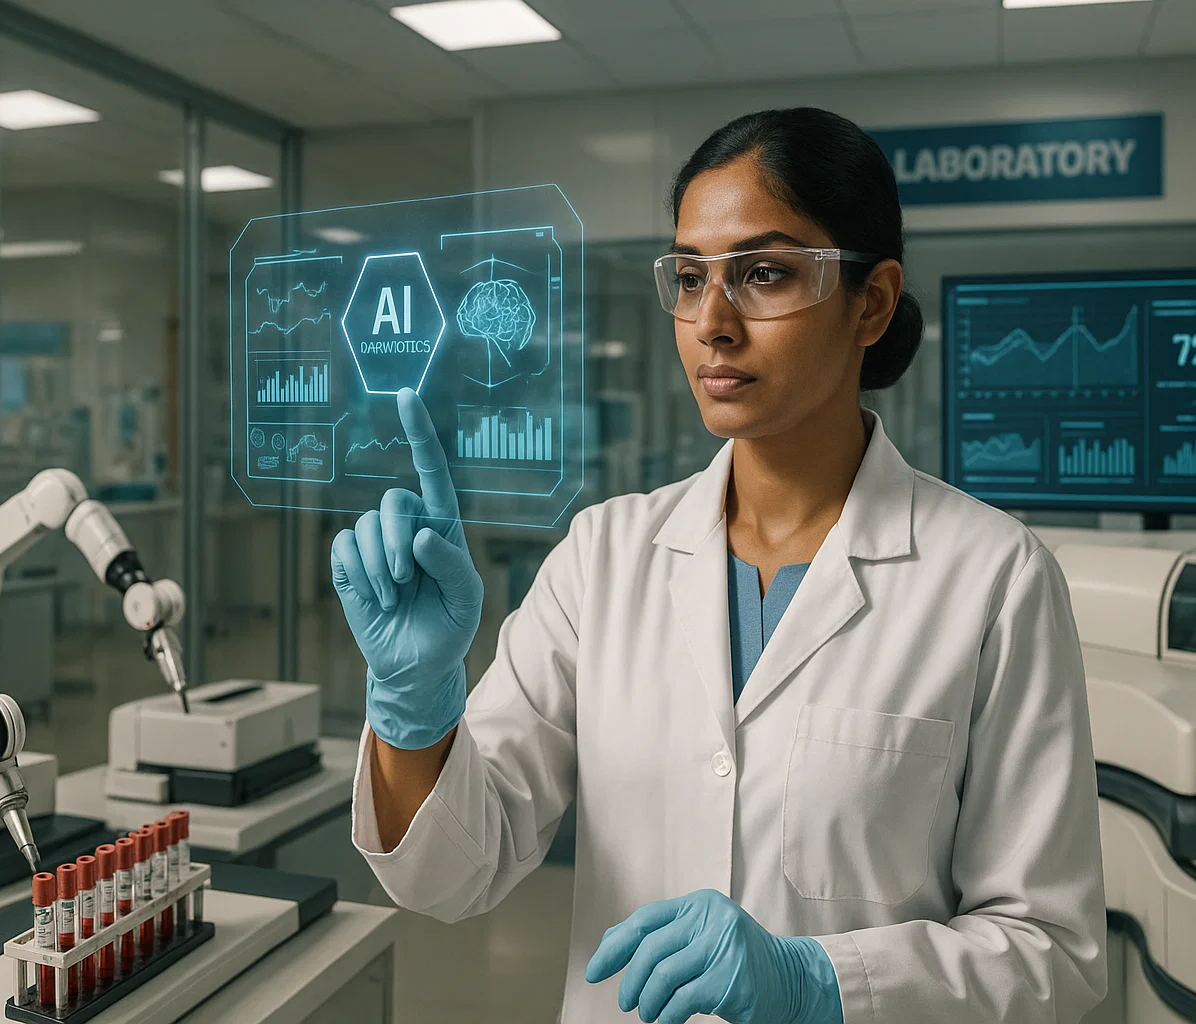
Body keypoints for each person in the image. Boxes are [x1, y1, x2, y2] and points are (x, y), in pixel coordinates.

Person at [330, 107, 1106, 1024]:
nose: (713, 322)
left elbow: (1050, 951)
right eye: (691, 277)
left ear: (873, 301)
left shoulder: (992, 578)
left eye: (765, 274)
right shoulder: (604, 558)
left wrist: (822, 984)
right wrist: (416, 707)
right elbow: (456, 872)